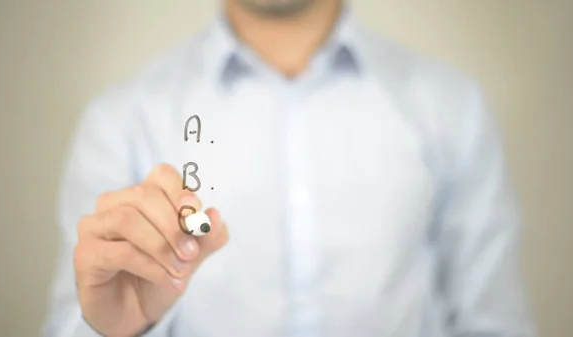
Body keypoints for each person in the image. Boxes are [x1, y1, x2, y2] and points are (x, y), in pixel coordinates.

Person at [42, 0, 536, 336]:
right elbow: (76, 319)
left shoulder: (452, 106)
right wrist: (114, 333)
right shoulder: (120, 121)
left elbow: (492, 323)